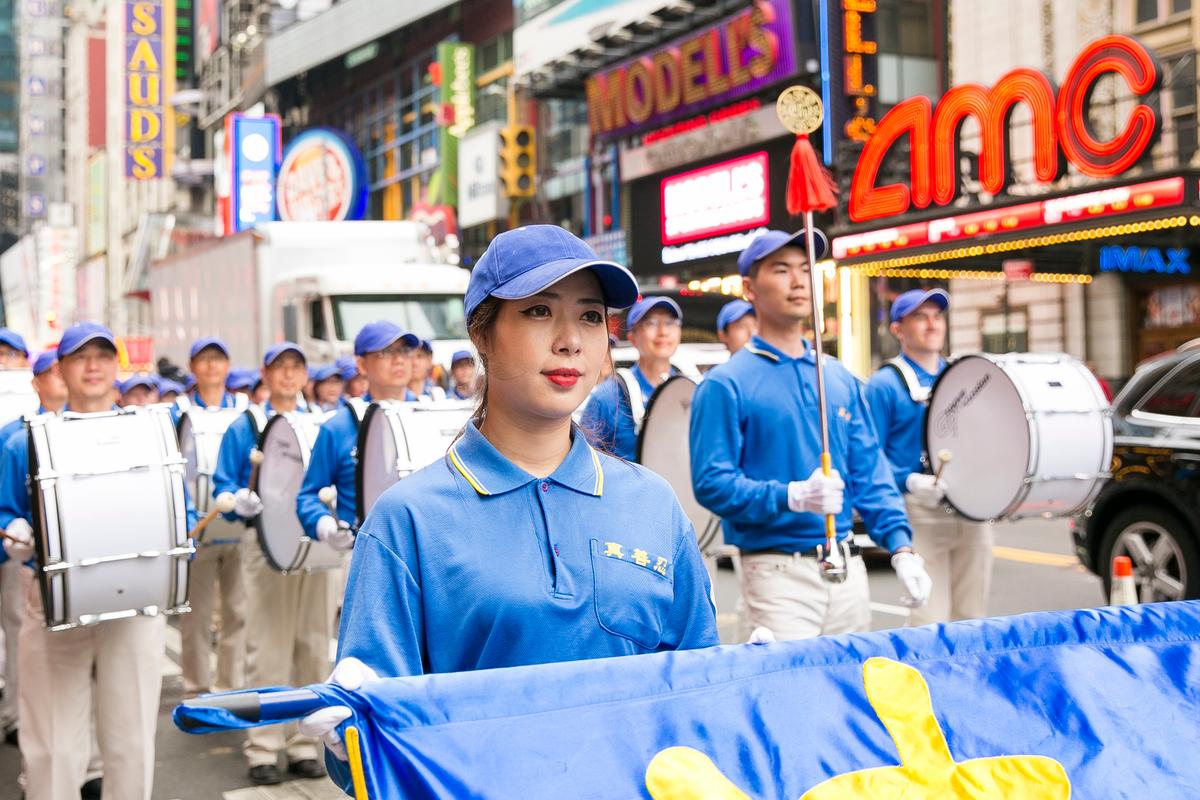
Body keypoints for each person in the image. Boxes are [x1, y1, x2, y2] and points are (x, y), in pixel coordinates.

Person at [300, 225, 719, 786]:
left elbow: (696, 698)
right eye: (540, 311)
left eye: (591, 316)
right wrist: (348, 736)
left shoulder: (653, 503)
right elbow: (376, 754)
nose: (570, 339)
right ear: (483, 335)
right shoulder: (408, 521)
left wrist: (744, 682)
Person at [690, 229, 932, 640]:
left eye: (806, 269)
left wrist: (902, 548)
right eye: (782, 270)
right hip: (775, 575)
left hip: (848, 569)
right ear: (749, 288)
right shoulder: (725, 384)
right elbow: (712, 483)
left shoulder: (838, 376)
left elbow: (869, 471)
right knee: (787, 701)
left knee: (851, 693)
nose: (799, 280)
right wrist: (792, 496)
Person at [0, 322, 194, 800]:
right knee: (53, 744)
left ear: (117, 365)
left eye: (103, 356)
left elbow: (179, 507)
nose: (92, 366)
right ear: (61, 369)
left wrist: (181, 533)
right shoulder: (26, 439)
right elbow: (5, 509)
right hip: (51, 603)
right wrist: (15, 534)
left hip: (135, 600)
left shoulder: (150, 432)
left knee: (129, 739)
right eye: (80, 357)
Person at [212, 342, 332, 785]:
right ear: (264, 372)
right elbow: (224, 484)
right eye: (279, 367)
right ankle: (264, 747)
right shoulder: (246, 425)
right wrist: (235, 501)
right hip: (264, 546)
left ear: (305, 374)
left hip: (317, 546)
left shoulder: (322, 420)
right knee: (268, 646)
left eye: (296, 367)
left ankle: (305, 742)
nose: (288, 374)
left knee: (314, 643)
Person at [865, 289, 993, 627]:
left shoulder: (963, 377)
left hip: (970, 508)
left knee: (973, 617)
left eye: (937, 316)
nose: (932, 324)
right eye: (920, 317)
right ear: (897, 330)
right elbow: (868, 458)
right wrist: (907, 480)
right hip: (920, 512)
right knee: (928, 619)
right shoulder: (884, 386)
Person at [297, 322, 419, 550]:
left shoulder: (427, 415)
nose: (399, 359)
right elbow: (308, 496)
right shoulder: (338, 426)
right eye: (386, 352)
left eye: (404, 351)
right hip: (365, 554)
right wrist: (326, 525)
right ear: (361, 364)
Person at [175, 337, 247, 700]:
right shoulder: (178, 410)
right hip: (196, 529)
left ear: (228, 365)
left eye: (218, 359)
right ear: (193, 367)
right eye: (204, 360)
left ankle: (230, 687)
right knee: (197, 616)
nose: (212, 366)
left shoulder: (248, 410)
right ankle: (197, 688)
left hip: (238, 528)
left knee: (238, 612)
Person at [0, 351, 64, 746]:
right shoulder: (14, 437)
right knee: (22, 637)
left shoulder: (96, 429)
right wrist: (14, 527)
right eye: (49, 373)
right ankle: (17, 718)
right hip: (31, 565)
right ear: (35, 382)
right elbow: (6, 508)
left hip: (82, 566)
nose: (58, 379)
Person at [580, 296, 682, 460]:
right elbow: (584, 461)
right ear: (632, 337)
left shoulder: (688, 392)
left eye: (670, 323)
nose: (663, 332)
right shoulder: (609, 396)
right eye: (651, 323)